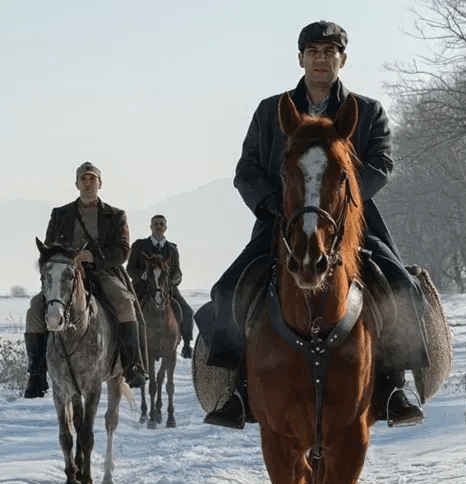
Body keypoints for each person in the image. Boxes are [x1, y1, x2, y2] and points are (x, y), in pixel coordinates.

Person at [202, 20, 430, 430]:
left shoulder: (369, 111)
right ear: (301, 58)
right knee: (229, 289)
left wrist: (341, 201)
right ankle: (238, 389)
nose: (321, 60)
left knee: (399, 286)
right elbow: (247, 169)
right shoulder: (271, 111)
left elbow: (382, 164)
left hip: (351, 223)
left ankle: (394, 387)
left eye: (329, 53)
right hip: (281, 223)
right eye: (313, 52)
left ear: (342, 59)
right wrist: (272, 204)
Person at [23, 162, 148, 398]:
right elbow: (49, 249)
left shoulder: (116, 215)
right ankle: (37, 374)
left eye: (92, 180)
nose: (88, 184)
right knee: (34, 310)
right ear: (77, 184)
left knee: (124, 302)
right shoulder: (60, 214)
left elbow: (123, 251)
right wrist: (68, 257)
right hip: (68, 275)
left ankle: (132, 366)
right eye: (83, 180)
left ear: (100, 184)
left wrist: (94, 257)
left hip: (102, 272)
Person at [127, 214, 195, 358]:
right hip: (142, 287)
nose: (158, 226)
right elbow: (130, 268)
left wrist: (175, 279)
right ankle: (126, 345)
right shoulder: (139, 245)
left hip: (166, 288)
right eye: (156, 224)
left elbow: (176, 270)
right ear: (151, 226)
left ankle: (187, 345)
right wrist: (142, 276)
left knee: (187, 311)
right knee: (127, 310)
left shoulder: (172, 249)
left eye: (161, 224)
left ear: (165, 228)